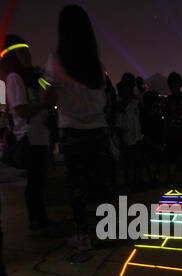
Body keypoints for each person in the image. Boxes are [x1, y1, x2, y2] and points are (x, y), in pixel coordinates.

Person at [45, 5, 110, 251]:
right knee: (101, 183)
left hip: (72, 130)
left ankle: (83, 236)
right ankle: (108, 229)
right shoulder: (95, 62)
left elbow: (49, 98)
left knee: (77, 186)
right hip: (98, 129)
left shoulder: (57, 59)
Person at [0, 34, 54, 231]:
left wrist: (44, 82)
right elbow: (20, 109)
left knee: (39, 181)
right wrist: (43, 104)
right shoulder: (14, 78)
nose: (27, 55)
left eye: (27, 50)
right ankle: (36, 220)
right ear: (13, 56)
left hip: (40, 136)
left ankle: (41, 219)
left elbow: (52, 94)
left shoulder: (33, 78)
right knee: (35, 183)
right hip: (29, 137)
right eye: (22, 51)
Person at [163, 72, 182, 183]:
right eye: (173, 86)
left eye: (176, 85)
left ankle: (179, 177)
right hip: (176, 133)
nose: (175, 88)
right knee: (176, 156)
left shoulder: (181, 99)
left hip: (181, 133)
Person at [116, 79, 143, 191]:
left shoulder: (135, 103)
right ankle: (129, 184)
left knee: (136, 163)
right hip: (127, 140)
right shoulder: (120, 106)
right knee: (128, 164)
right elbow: (119, 125)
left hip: (136, 138)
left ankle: (135, 183)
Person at [141, 90, 165, 185]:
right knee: (153, 160)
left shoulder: (146, 115)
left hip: (152, 140)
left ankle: (152, 178)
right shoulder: (153, 115)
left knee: (152, 160)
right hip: (152, 140)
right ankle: (153, 178)